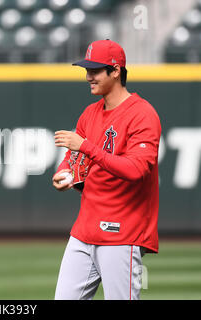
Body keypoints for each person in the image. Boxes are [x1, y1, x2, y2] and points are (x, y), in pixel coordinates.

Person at [52, 40, 161, 300]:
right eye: (86, 70)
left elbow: (135, 170)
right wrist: (66, 173)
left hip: (123, 232)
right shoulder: (90, 113)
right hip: (84, 231)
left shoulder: (142, 114)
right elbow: (73, 156)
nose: (89, 76)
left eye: (95, 70)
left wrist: (88, 147)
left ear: (115, 71)